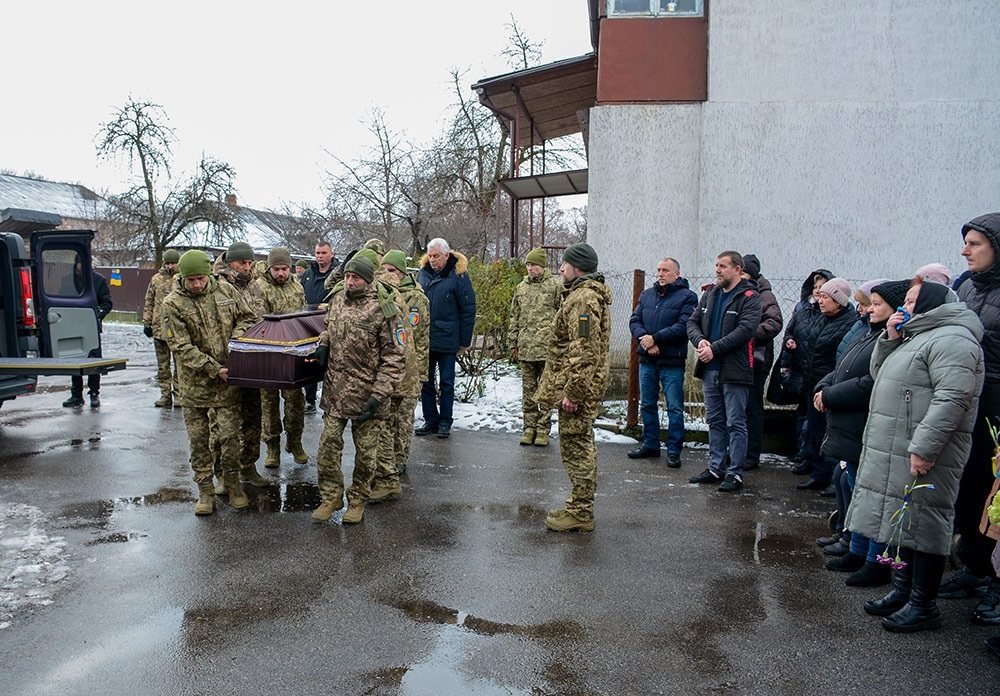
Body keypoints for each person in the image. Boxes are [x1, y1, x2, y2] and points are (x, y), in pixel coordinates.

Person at [846, 278, 984, 632]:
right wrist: (890, 338)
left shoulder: (953, 340)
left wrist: (924, 447)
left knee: (925, 524)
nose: (904, 305)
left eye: (911, 299)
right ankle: (902, 590)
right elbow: (882, 375)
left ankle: (923, 604)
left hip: (927, 452)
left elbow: (952, 399)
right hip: (902, 447)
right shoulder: (918, 335)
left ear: (932, 303)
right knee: (904, 523)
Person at [813, 279, 907, 583]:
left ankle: (871, 557)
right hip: (850, 424)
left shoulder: (891, 338)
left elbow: (870, 381)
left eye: (877, 304)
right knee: (856, 488)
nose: (869, 309)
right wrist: (824, 386)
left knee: (869, 495)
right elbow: (842, 366)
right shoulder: (870, 332)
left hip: (864, 422)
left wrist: (830, 395)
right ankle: (857, 547)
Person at [308, 255, 406, 524]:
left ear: (368, 279)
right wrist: (323, 345)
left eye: (356, 278)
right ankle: (330, 497)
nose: (350, 282)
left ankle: (357, 500)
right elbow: (328, 327)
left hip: (368, 396)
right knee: (327, 447)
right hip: (335, 391)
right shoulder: (338, 298)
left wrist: (378, 396)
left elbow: (395, 357)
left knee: (366, 455)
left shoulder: (384, 308)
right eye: (348, 277)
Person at [161, 250, 257, 515]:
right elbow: (179, 346)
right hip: (195, 385)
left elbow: (247, 317)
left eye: (201, 278)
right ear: (182, 277)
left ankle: (232, 483)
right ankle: (205, 492)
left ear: (209, 274)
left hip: (227, 382)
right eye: (191, 280)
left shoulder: (225, 290)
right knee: (199, 441)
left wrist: (234, 342)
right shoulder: (172, 303)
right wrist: (214, 369)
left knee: (229, 437)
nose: (196, 284)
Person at [945, 213, 1000, 625]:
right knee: (965, 487)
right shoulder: (963, 287)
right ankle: (974, 567)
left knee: (991, 496)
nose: (965, 251)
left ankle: (993, 578)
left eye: (975, 243)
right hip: (966, 403)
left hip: (996, 408)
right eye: (965, 242)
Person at [535, 243, 612, 532]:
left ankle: (581, 512)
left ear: (577, 267)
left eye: (564, 264)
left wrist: (574, 392)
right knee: (578, 446)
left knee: (578, 448)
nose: (560, 269)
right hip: (577, 386)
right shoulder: (583, 296)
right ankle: (579, 507)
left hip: (579, 390)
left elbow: (585, 350)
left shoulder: (583, 300)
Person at [686, 251, 762, 493]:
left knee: (736, 422)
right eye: (716, 265)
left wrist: (714, 349)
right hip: (710, 370)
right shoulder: (710, 294)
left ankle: (735, 473)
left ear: (738, 270)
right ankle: (715, 467)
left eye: (723, 266)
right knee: (715, 420)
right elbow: (692, 323)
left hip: (735, 371)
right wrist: (700, 342)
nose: (717, 270)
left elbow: (746, 330)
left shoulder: (750, 297)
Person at [369, 250, 430, 502]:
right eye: (384, 270)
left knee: (402, 421)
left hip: (408, 370)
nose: (387, 275)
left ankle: (399, 460)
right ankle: (387, 466)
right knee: (387, 419)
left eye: (392, 271)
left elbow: (417, 336)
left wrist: (422, 372)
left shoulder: (414, 296)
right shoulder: (382, 293)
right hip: (392, 370)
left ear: (402, 273)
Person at [212, 241, 270, 491]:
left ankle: (249, 465)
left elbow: (260, 318)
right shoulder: (217, 287)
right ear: (229, 262)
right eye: (241, 263)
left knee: (253, 418)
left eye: (249, 263)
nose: (246, 268)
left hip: (253, 362)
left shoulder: (254, 286)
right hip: (226, 363)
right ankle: (223, 473)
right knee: (223, 426)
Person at [627, 257, 697, 465]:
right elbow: (635, 320)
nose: (660, 274)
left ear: (677, 273)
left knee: (674, 407)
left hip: (672, 362)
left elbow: (684, 325)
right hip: (647, 359)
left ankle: (674, 450)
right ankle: (651, 444)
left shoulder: (688, 297)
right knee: (647, 404)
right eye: (658, 270)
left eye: (666, 270)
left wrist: (655, 338)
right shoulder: (648, 295)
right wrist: (646, 340)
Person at [795, 278, 859, 493]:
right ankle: (819, 473)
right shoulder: (822, 319)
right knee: (815, 431)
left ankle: (833, 478)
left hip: (832, 387)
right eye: (819, 296)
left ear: (838, 301)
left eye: (825, 297)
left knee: (829, 433)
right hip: (813, 384)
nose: (820, 301)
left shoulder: (849, 323)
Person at [415, 237, 476, 439]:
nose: (433, 260)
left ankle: (445, 421)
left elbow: (468, 309)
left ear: (446, 255)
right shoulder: (423, 275)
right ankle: (430, 419)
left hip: (448, 338)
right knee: (426, 382)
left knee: (447, 383)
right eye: (430, 256)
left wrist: (465, 340)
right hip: (426, 338)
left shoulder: (458, 275)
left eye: (437, 256)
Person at [257, 247, 308, 467]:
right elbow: (259, 322)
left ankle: (295, 442)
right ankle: (272, 448)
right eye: (276, 269)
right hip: (268, 355)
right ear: (269, 268)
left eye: (284, 269)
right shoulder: (259, 288)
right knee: (268, 404)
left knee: (296, 401)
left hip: (292, 354)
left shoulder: (297, 286)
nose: (281, 273)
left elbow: (303, 314)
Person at [509, 247, 563, 447]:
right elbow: (514, 315)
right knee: (529, 392)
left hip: (547, 349)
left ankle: (543, 429)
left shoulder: (555, 286)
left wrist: (559, 345)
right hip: (526, 348)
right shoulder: (521, 287)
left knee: (546, 391)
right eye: (528, 265)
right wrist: (513, 341)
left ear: (543, 266)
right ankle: (529, 428)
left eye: (534, 265)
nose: (530, 268)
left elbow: (562, 316)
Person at [780, 269, 833, 464]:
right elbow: (789, 331)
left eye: (823, 287)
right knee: (802, 412)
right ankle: (802, 451)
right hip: (801, 369)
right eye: (816, 287)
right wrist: (790, 342)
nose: (818, 291)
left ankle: (813, 455)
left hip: (819, 372)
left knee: (816, 417)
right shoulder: (802, 309)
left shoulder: (829, 314)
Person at [741, 254, 783, 471]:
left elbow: (775, 323)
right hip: (737, 359)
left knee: (752, 408)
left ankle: (751, 455)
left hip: (756, 361)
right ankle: (738, 452)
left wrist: (745, 333)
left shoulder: (765, 296)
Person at [62, 265, 113, 408]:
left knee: (93, 361)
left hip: (90, 328)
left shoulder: (98, 280)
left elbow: (107, 303)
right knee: (75, 360)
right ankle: (76, 395)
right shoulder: (68, 280)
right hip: (73, 326)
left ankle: (94, 393)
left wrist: (96, 316)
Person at [300, 241, 339, 413]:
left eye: (323, 253)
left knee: (331, 362)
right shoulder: (308, 273)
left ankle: (332, 402)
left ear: (331, 254)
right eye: (317, 253)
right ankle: (310, 400)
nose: (320, 256)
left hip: (331, 322)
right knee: (310, 360)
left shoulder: (337, 273)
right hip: (309, 323)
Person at [142, 249, 180, 407]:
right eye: (168, 263)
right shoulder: (156, 279)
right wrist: (147, 323)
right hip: (159, 329)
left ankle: (179, 394)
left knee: (180, 365)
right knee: (163, 366)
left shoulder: (182, 278)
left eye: (173, 263)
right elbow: (149, 301)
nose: (170, 266)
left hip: (178, 330)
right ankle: (165, 394)